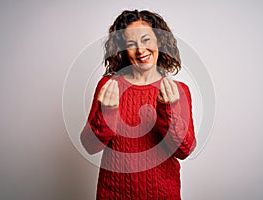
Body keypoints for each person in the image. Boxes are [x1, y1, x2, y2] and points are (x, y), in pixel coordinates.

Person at [80, 9, 196, 200]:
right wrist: (107, 112)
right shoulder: (109, 85)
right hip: (114, 194)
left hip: (162, 194)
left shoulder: (178, 90)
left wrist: (167, 111)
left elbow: (184, 150)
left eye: (146, 40)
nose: (141, 50)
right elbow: (90, 146)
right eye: (131, 44)